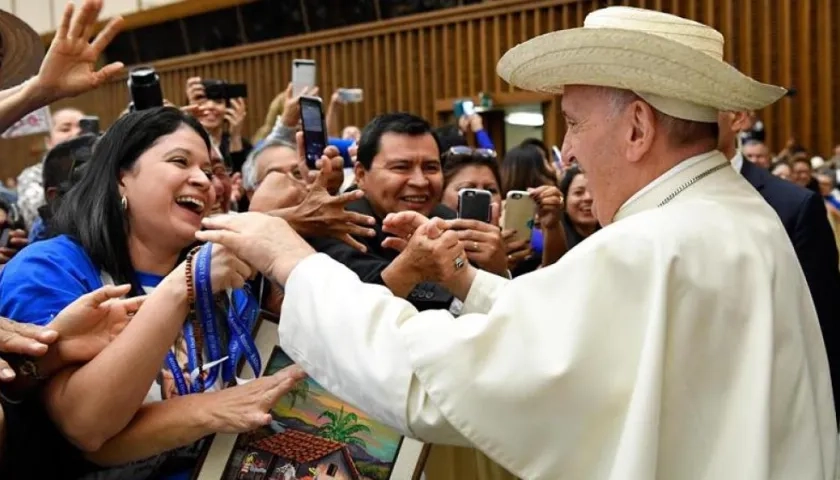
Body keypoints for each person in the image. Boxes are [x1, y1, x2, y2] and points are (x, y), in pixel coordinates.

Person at [197, 6, 836, 479]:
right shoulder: (732, 215)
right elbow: (580, 336)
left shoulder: (655, 243)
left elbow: (428, 379)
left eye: (577, 123)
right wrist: (468, 283)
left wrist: (292, 261)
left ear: (638, 126)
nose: (570, 150)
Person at [0, 107, 305, 478]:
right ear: (120, 179)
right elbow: (88, 426)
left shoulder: (224, 278)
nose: (203, 181)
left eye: (209, 172)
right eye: (180, 161)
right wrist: (183, 286)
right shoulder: (49, 269)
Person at [720, 113, 840, 423]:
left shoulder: (793, 206)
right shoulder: (652, 204)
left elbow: (822, 320)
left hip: (774, 409)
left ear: (737, 118)